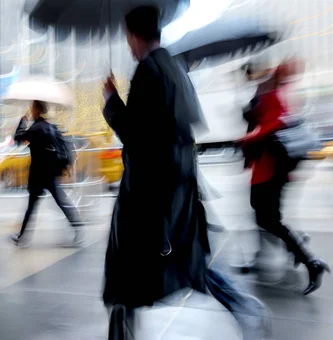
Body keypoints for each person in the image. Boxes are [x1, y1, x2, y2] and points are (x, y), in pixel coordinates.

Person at [102, 6, 270, 340]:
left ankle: (123, 330)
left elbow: (137, 136)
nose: (128, 45)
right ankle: (242, 308)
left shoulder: (149, 72)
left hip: (150, 193)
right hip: (177, 187)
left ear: (133, 35)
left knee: (130, 265)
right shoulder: (172, 67)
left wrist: (111, 101)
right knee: (190, 261)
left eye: (127, 38)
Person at [237, 60, 330, 295]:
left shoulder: (270, 93)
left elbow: (275, 123)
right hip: (267, 168)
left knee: (267, 219)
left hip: (269, 169)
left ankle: (308, 259)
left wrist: (248, 138)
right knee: (265, 218)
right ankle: (298, 248)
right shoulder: (265, 92)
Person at [10, 100, 84, 247]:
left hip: (39, 174)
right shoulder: (50, 127)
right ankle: (78, 227)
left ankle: (21, 237)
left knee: (32, 207)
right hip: (51, 173)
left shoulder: (36, 128)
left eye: (32, 108)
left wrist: (23, 121)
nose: (30, 111)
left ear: (37, 110)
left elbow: (18, 139)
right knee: (61, 202)